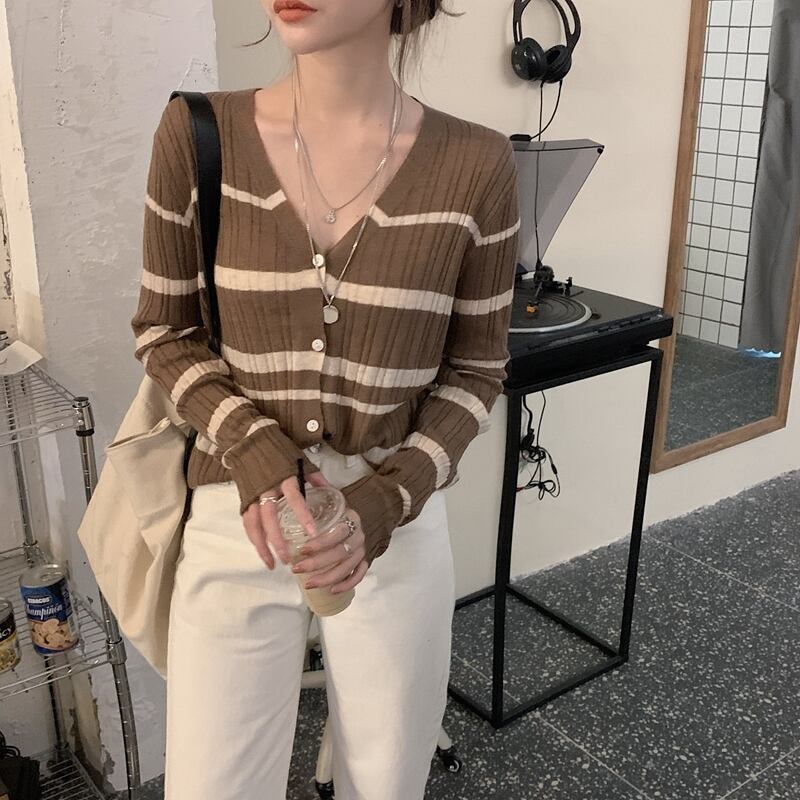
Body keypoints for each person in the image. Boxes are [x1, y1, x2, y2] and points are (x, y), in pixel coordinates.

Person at [130, 0, 521, 796]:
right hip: (238, 519)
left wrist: (388, 501)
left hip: (395, 521)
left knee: (386, 782)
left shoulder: (476, 165)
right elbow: (165, 332)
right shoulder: (198, 136)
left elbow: (477, 371)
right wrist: (254, 447)